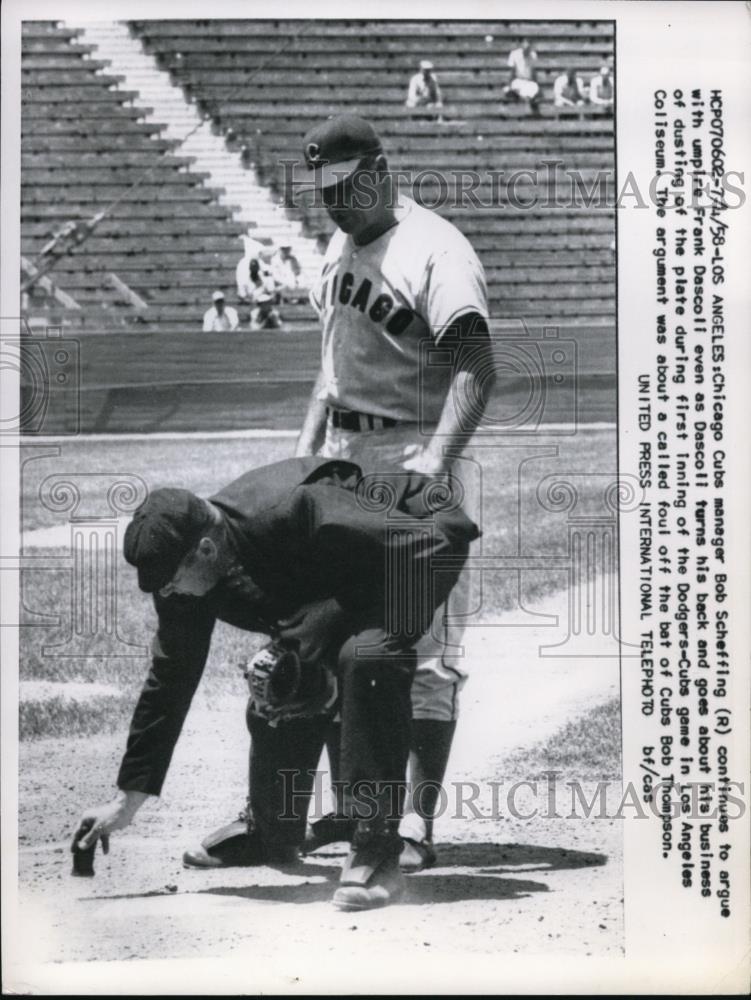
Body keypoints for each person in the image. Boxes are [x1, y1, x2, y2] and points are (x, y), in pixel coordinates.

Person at [75, 456, 478, 910]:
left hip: (416, 537)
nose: (167, 595)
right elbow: (171, 675)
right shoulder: (191, 562)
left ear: (205, 551)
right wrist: (127, 800)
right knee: (281, 676)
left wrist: (319, 631)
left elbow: (438, 540)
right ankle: (272, 829)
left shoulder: (295, 510)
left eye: (171, 584)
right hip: (341, 570)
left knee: (366, 659)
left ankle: (377, 841)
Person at [294, 114, 494, 872]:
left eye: (344, 189)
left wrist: (435, 466)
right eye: (322, 193)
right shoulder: (338, 244)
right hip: (343, 456)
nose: (333, 205)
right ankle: (350, 809)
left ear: (381, 170)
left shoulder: (436, 249)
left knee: (425, 650)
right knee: (332, 634)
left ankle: (414, 820)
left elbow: (477, 366)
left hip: (414, 449)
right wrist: (305, 452)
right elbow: (331, 365)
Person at [236, 256, 283, 330]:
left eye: (256, 267)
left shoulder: (264, 280)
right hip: (253, 304)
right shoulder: (246, 282)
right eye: (252, 267)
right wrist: (265, 321)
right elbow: (242, 296)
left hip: (263, 299)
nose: (254, 269)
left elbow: (272, 292)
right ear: (250, 269)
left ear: (258, 268)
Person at [501, 38, 541, 113]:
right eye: (525, 43)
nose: (526, 46)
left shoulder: (533, 55)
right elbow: (511, 71)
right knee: (518, 88)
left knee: (533, 89)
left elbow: (533, 71)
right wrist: (508, 84)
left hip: (529, 82)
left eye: (528, 44)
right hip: (518, 81)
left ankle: (527, 102)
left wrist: (536, 83)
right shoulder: (514, 54)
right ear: (521, 44)